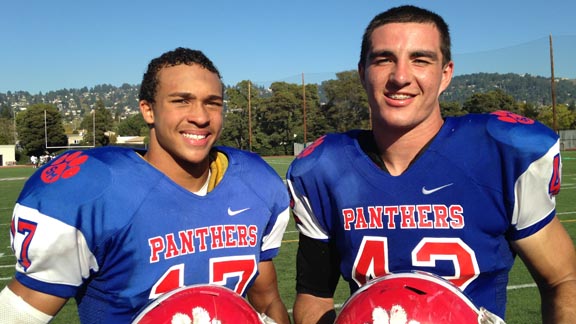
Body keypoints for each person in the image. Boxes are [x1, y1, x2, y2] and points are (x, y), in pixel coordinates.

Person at [287, 5, 576, 324]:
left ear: (445, 74)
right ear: (362, 72)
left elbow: (563, 279)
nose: (400, 77)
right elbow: (314, 297)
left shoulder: (499, 153)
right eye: (384, 59)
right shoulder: (324, 168)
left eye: (420, 60)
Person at [0, 47, 291, 324]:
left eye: (212, 103)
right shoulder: (96, 193)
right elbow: (18, 314)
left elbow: (267, 301)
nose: (200, 117)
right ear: (148, 110)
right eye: (181, 101)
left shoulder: (256, 184)